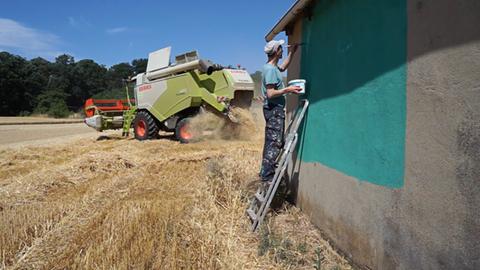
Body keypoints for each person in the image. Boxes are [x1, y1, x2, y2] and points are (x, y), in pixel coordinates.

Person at [260, 39, 301, 183]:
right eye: (281, 49)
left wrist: (292, 53)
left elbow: (283, 68)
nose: (283, 50)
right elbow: (270, 94)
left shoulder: (271, 67)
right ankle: (267, 176)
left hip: (272, 110)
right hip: (274, 110)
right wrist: (287, 90)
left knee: (272, 141)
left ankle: (266, 170)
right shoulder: (271, 70)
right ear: (277, 51)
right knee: (275, 142)